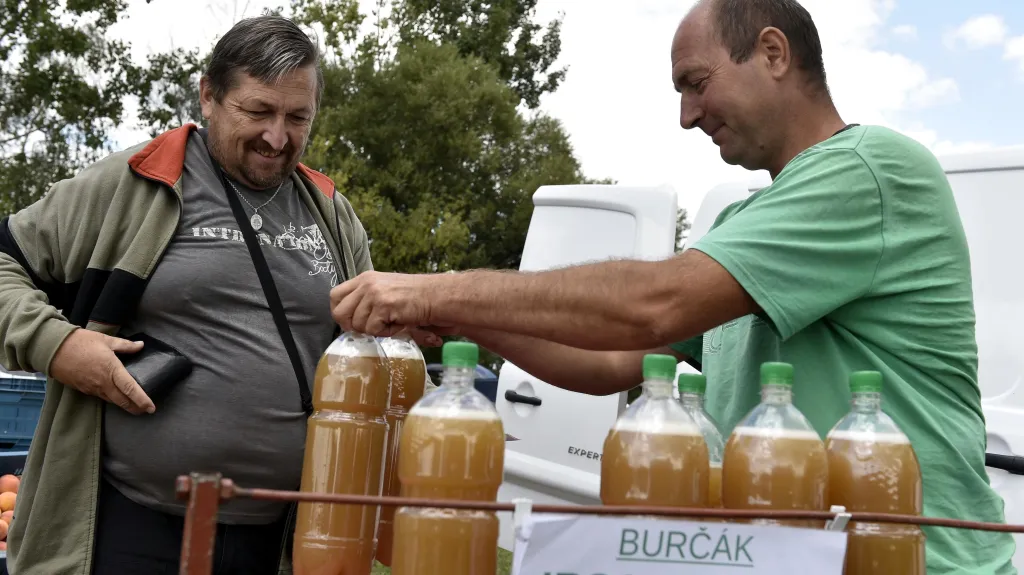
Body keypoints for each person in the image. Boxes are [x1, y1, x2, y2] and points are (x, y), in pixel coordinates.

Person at [329, 0, 1017, 572]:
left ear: (773, 53)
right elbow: (611, 362)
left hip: (924, 560)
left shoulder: (872, 171)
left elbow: (652, 303)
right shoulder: (749, 223)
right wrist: (470, 325)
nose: (687, 116)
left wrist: (434, 291)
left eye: (695, 82)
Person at [0, 15, 373, 575]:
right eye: (258, 112)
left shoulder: (331, 212)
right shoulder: (135, 182)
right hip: (134, 528)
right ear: (208, 96)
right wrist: (57, 346)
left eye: (298, 117)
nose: (278, 137)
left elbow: (368, 344)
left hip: (285, 536)